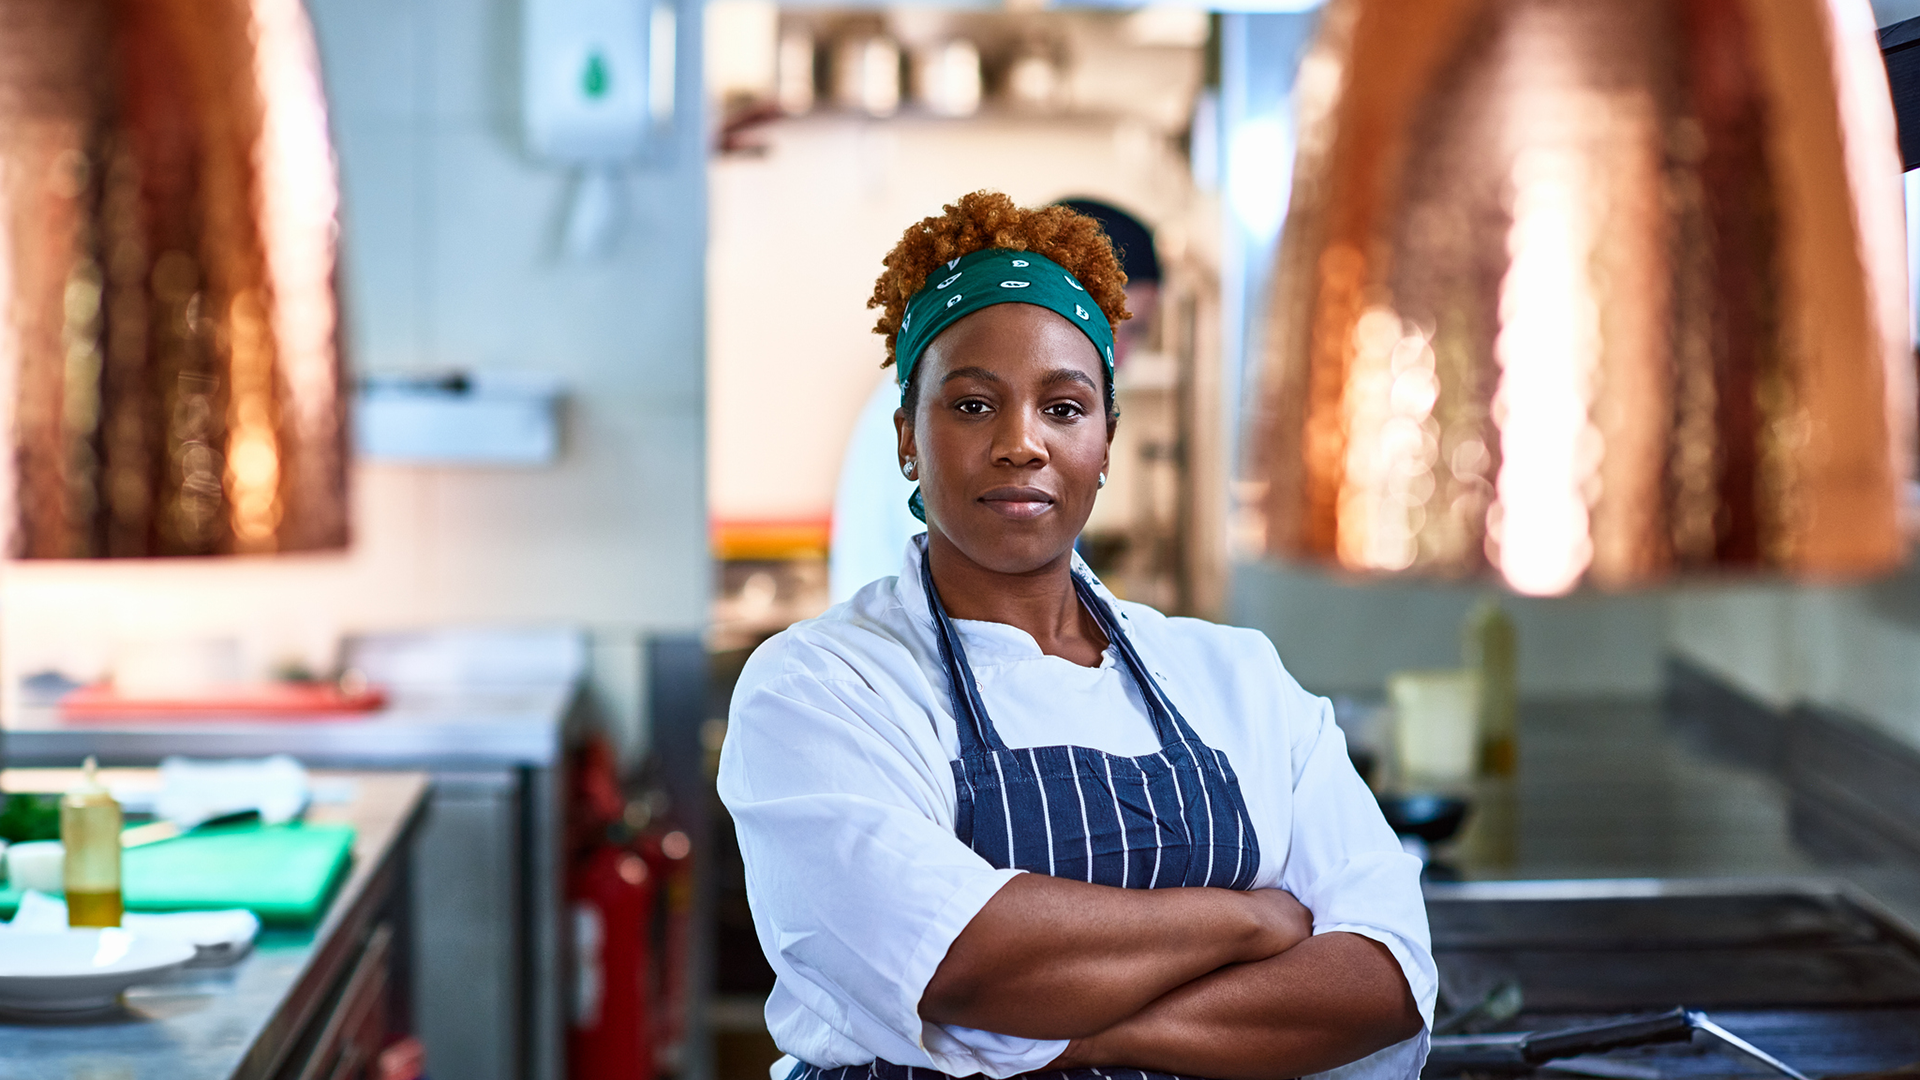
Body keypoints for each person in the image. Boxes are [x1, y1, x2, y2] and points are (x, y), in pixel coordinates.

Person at [720, 191, 1433, 1080]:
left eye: (1063, 407)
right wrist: (1252, 920)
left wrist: (1079, 1038)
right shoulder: (818, 688)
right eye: (974, 406)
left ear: (1106, 439)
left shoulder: (1236, 677)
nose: (1022, 443)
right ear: (907, 436)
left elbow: (1385, 979)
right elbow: (965, 964)